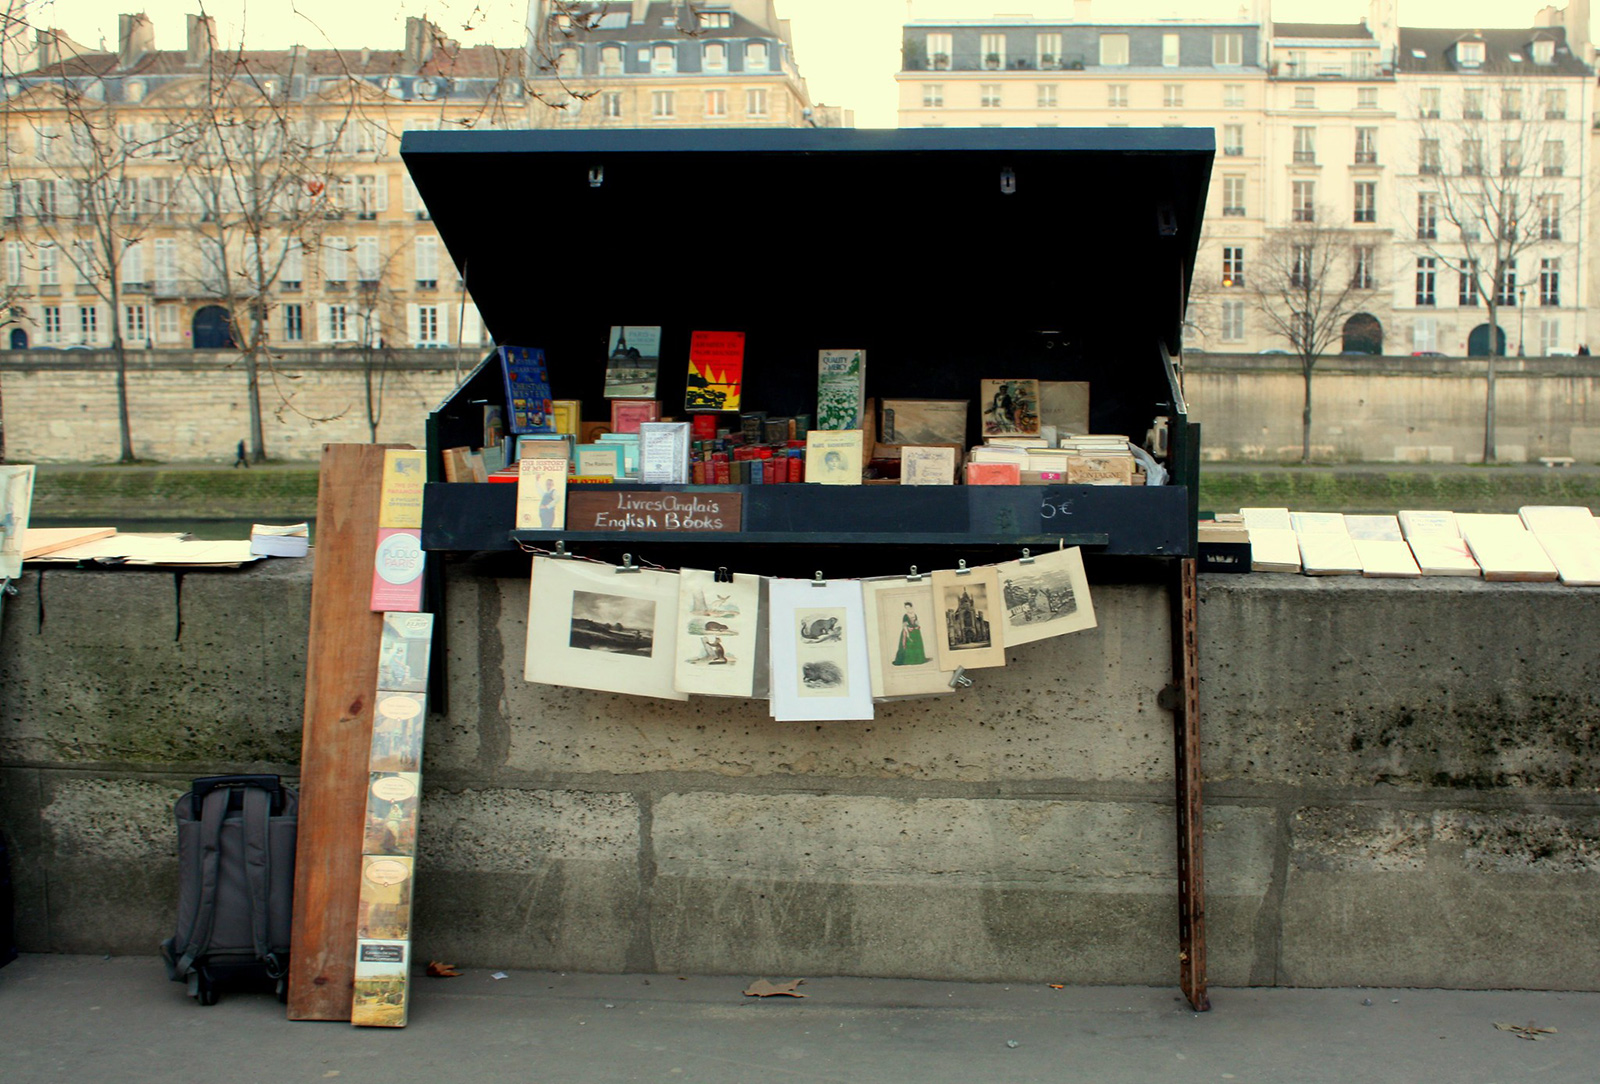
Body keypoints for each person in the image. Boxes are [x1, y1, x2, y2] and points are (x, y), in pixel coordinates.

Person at [894, 601, 927, 666]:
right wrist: (908, 635)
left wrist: (917, 628)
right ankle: (908, 660)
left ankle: (917, 660)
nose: (908, 609)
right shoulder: (905, 616)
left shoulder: (915, 614)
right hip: (908, 631)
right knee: (908, 646)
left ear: (911, 607)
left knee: (916, 645)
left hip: (915, 632)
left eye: (909, 608)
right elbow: (904, 626)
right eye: (906, 608)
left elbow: (917, 623)